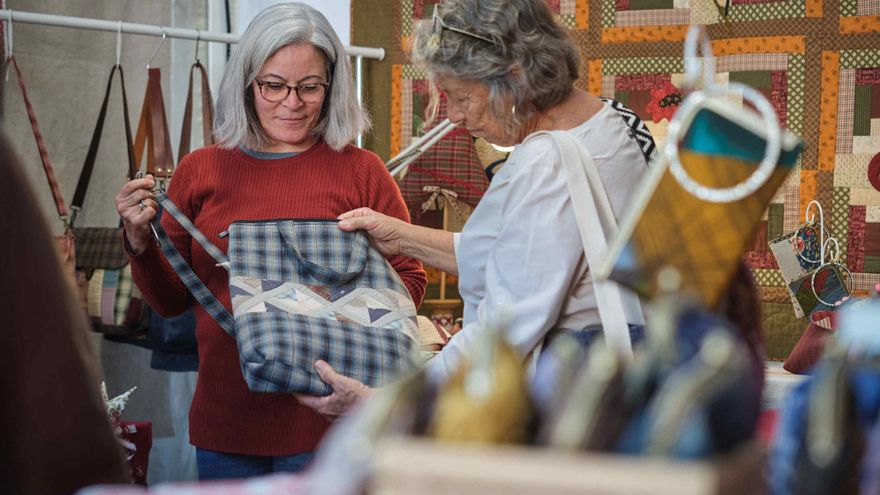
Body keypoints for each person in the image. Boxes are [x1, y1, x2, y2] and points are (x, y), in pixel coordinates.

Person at [115, 2, 426, 480]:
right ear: (247, 83)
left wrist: (350, 313)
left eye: (309, 87)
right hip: (227, 423)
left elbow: (407, 278)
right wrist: (139, 242)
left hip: (333, 420)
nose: (292, 102)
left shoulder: (362, 171)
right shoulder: (202, 170)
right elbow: (171, 302)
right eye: (273, 85)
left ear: (332, 85)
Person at [296, 0, 650, 419]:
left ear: (514, 79)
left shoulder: (548, 162)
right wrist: (403, 237)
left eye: (461, 97)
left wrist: (386, 404)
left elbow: (503, 332)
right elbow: (526, 255)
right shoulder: (612, 118)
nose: (454, 116)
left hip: (581, 391)